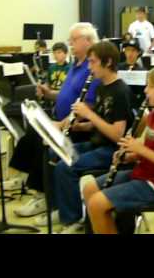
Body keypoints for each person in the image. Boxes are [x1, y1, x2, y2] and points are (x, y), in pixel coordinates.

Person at [36, 41, 133, 233]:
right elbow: (100, 122)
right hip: (96, 142)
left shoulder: (120, 91)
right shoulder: (101, 88)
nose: (89, 67)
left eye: (93, 62)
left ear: (108, 62)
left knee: (66, 167)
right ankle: (60, 208)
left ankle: (73, 220)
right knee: (54, 153)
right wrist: (79, 126)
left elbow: (117, 134)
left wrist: (89, 115)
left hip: (111, 150)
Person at [4, 23, 101, 217]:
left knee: (44, 141)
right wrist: (49, 94)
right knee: (32, 131)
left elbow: (87, 107)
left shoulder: (93, 69)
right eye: (70, 40)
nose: (70, 44)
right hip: (61, 118)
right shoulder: (76, 64)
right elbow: (66, 95)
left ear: (88, 41)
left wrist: (63, 123)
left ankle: (43, 196)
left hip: (76, 127)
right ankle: (23, 178)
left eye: (73, 40)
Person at [83, 65, 154, 234]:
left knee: (96, 204)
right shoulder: (153, 115)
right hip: (143, 173)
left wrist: (140, 148)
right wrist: (130, 156)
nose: (146, 90)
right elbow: (152, 151)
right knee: (89, 189)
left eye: (151, 86)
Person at [117, 39, 144, 110]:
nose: (130, 53)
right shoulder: (117, 68)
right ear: (124, 51)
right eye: (127, 50)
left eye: (133, 50)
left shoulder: (142, 71)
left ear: (138, 52)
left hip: (134, 105)